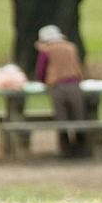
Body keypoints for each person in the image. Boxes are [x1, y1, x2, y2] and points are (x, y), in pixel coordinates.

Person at [34, 24, 85, 156]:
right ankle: (82, 148)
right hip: (75, 85)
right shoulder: (71, 47)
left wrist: (42, 81)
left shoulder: (46, 50)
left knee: (61, 119)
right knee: (78, 117)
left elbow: (41, 70)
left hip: (57, 87)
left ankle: (66, 150)